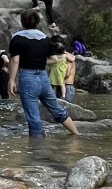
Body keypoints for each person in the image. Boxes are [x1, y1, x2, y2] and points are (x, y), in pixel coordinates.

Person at [8, 9, 79, 138]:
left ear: (22, 22)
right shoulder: (45, 38)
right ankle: (77, 135)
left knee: (33, 117)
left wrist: (11, 80)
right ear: (37, 22)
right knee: (57, 109)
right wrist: (39, 60)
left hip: (28, 78)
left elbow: (15, 60)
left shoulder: (17, 38)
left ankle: (37, 153)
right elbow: (54, 59)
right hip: (43, 78)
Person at [50, 34, 77, 102]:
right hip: (62, 85)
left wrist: (57, 77)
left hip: (67, 86)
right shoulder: (65, 55)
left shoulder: (66, 57)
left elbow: (67, 73)